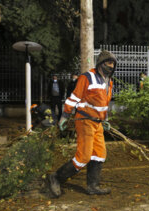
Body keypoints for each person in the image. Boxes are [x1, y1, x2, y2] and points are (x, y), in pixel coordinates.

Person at [46, 50, 117, 197]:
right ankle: (56, 178)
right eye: (109, 63)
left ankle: (93, 186)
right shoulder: (87, 77)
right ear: (101, 64)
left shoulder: (109, 82)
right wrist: (65, 116)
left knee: (99, 154)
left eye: (113, 64)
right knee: (84, 156)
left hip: (97, 123)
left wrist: (105, 120)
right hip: (85, 121)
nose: (111, 66)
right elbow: (74, 98)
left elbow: (104, 104)